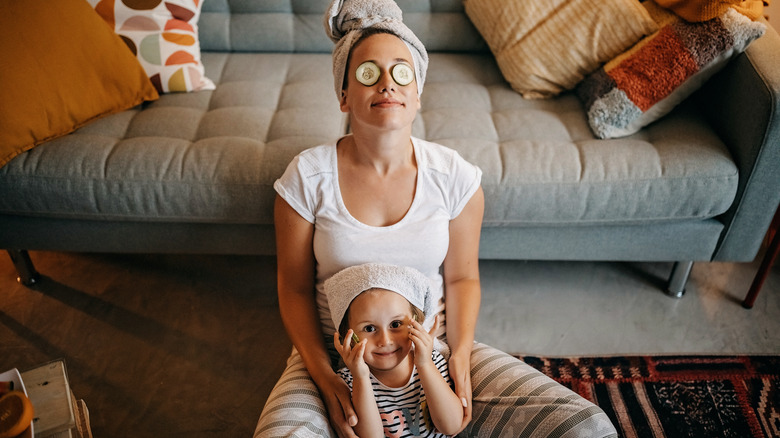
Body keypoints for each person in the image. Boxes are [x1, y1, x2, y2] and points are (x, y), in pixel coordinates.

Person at [255, 0, 618, 436]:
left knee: (586, 427)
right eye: (369, 73)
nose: (387, 83)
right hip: (338, 357)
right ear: (344, 94)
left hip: (433, 352)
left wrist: (460, 355)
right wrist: (323, 372)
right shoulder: (307, 177)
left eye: (401, 72)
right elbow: (292, 289)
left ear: (417, 92)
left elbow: (463, 279)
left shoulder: (454, 177)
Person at [326, 263, 464, 437]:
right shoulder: (349, 379)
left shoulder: (433, 362)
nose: (385, 340)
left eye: (396, 324)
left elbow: (451, 427)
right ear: (348, 335)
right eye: (369, 328)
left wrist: (424, 364)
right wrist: (360, 377)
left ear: (416, 324)